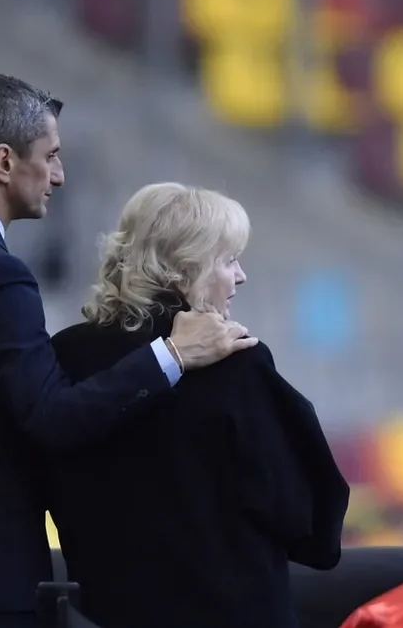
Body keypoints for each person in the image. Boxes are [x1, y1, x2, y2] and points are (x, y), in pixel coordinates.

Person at [0, 74, 255, 628]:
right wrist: (172, 355)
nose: (60, 176)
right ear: (4, 162)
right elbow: (52, 416)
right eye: (52, 155)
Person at [45, 183, 349, 628]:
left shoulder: (65, 354)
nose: (240, 276)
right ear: (184, 269)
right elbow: (306, 519)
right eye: (228, 260)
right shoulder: (234, 363)